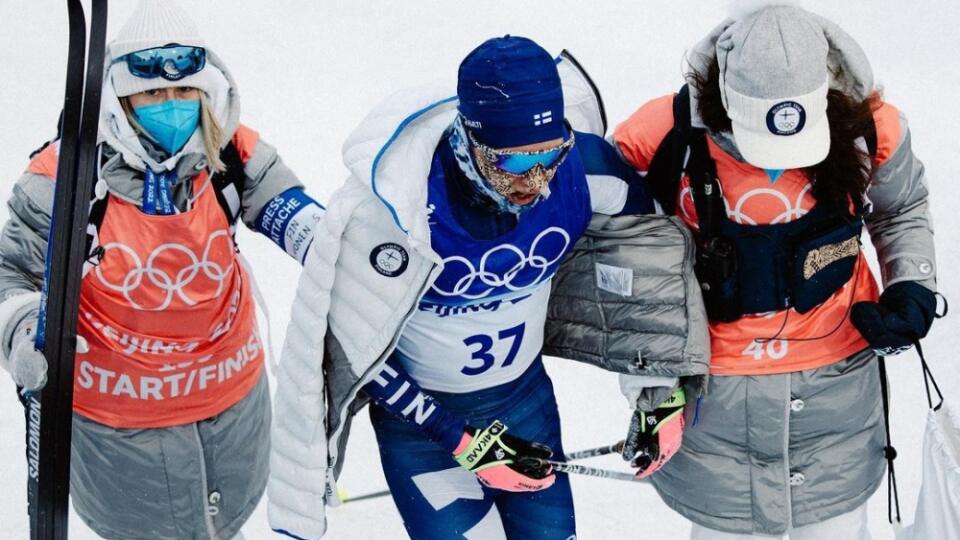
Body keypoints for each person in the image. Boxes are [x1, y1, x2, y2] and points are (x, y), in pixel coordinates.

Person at [267, 36, 659, 540]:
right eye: (515, 163)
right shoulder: (394, 211)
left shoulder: (588, 170)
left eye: (551, 155)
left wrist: (659, 394)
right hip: (425, 428)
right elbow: (355, 352)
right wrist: (457, 439)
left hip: (525, 403)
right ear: (470, 140)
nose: (538, 183)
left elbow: (651, 272)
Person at [612, 5, 939, 539]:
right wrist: (652, 387)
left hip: (837, 388)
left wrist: (911, 283)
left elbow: (901, 207)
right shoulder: (658, 135)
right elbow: (625, 259)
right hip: (712, 393)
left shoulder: (870, 128)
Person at [0, 1, 324, 538]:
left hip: (229, 409)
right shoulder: (65, 175)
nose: (170, 106)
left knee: (224, 523)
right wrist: (20, 329)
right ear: (120, 98)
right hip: (123, 430)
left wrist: (332, 239)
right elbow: (12, 271)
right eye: (151, 93)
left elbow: (286, 205)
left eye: (183, 91)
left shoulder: (231, 154)